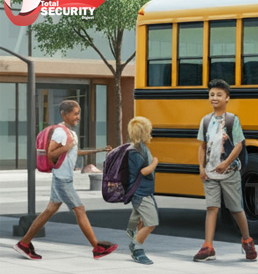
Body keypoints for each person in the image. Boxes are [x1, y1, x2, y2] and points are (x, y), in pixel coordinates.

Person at [12, 100, 117, 260]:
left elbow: (73, 152)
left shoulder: (70, 133)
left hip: (62, 178)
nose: (78, 117)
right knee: (79, 210)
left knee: (49, 211)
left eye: (79, 113)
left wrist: (98, 150)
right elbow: (51, 154)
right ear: (64, 114)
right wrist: (67, 147)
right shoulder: (60, 132)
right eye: (75, 113)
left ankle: (24, 244)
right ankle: (97, 247)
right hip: (62, 180)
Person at [193, 79, 257, 262]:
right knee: (212, 208)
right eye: (212, 94)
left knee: (236, 208)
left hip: (229, 173)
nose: (214, 97)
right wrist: (201, 167)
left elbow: (238, 145)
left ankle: (247, 240)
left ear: (227, 98)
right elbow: (202, 146)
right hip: (210, 174)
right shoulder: (205, 120)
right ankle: (208, 246)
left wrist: (227, 163)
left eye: (219, 95)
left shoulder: (232, 120)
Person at [125, 116, 159, 265]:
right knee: (151, 222)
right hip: (140, 192)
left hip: (144, 191)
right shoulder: (135, 151)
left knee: (140, 217)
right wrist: (155, 162)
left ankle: (131, 230)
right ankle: (136, 247)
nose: (150, 131)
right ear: (143, 132)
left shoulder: (141, 147)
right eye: (148, 129)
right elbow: (144, 171)